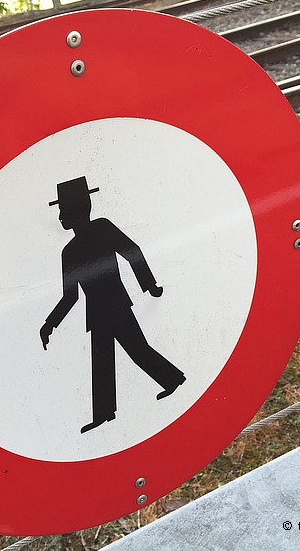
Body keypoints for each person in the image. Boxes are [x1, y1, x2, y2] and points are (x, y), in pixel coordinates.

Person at [40, 176, 186, 433]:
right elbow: (71, 295)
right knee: (101, 360)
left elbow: (132, 251)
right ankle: (104, 413)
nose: (61, 217)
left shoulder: (102, 228)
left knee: (137, 349)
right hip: (96, 312)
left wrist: (150, 285)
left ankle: (172, 379)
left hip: (116, 304)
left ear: (78, 209)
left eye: (64, 210)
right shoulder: (69, 252)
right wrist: (50, 324)